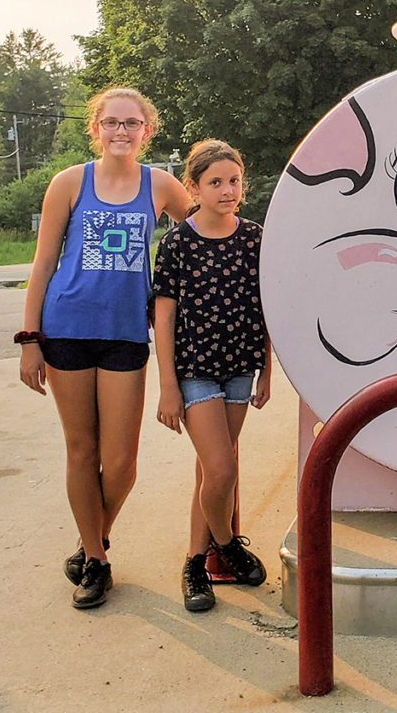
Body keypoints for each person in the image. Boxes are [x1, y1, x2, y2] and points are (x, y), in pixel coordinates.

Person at [18, 87, 192, 609]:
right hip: (65, 328)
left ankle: (95, 535)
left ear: (147, 130)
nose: (121, 131)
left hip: (125, 333)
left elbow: (202, 234)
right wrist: (30, 340)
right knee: (81, 450)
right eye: (111, 122)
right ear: (95, 128)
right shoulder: (70, 182)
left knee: (120, 462)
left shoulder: (160, 185)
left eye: (131, 123)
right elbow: (44, 263)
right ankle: (96, 559)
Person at [152, 139, 271, 613]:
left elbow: (268, 308)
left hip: (240, 369)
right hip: (195, 372)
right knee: (221, 469)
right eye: (215, 182)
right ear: (194, 187)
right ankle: (221, 549)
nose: (227, 190)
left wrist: (265, 372)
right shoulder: (178, 242)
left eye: (234, 180)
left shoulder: (256, 237)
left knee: (212, 470)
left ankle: (199, 561)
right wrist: (166, 387)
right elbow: (163, 318)